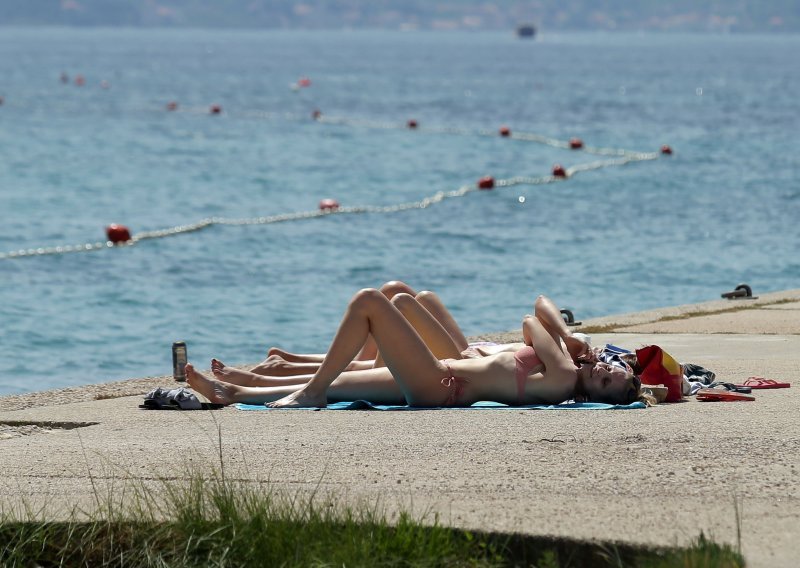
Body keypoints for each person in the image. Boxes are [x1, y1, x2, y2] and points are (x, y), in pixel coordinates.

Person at [186, 289, 648, 408]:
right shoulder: (565, 367)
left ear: (596, 393)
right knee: (339, 382)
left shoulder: (565, 375)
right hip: (439, 375)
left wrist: (568, 343)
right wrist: (570, 341)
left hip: (439, 386)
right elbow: (541, 309)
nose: (603, 371)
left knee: (371, 302)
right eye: (611, 370)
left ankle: (300, 393)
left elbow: (532, 318)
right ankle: (233, 392)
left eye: (606, 382)